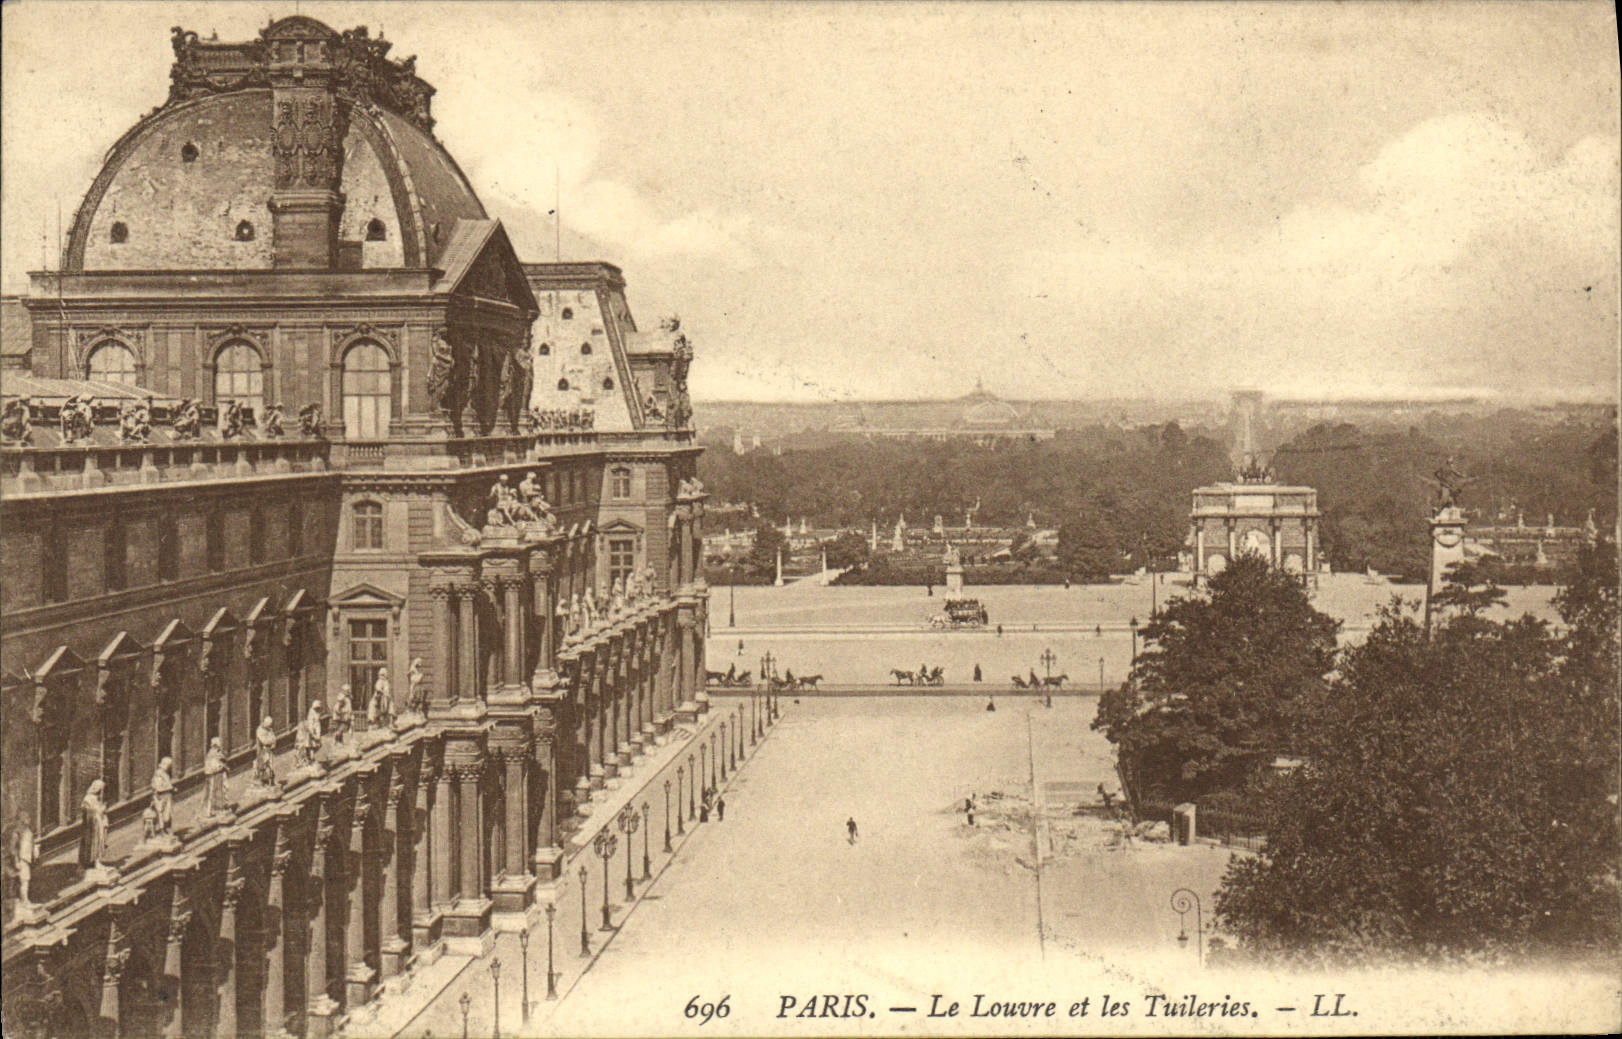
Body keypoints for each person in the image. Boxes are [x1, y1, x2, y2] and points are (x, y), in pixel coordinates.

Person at [80, 780, 109, 870]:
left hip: (98, 823)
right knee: (94, 843)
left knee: (100, 842)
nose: (100, 792)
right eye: (100, 789)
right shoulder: (88, 799)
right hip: (93, 825)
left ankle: (97, 860)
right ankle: (94, 861)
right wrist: (102, 808)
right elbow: (88, 811)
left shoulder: (96, 798)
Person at [204, 737, 227, 816]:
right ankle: (212, 809)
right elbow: (214, 766)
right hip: (214, 776)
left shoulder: (216, 753)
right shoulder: (212, 754)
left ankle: (219, 807)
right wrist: (221, 767)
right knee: (214, 791)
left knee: (220, 790)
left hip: (217, 775)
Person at [151, 758, 175, 834]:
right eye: (168, 766)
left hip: (167, 795)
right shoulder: (159, 774)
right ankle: (162, 830)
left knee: (167, 813)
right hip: (162, 796)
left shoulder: (164, 773)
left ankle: (167, 828)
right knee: (161, 812)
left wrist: (172, 788)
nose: (169, 768)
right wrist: (170, 788)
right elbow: (158, 787)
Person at [255, 716, 278, 787]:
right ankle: (263, 782)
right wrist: (271, 741)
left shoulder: (269, 729)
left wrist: (273, 743)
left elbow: (274, 738)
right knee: (263, 766)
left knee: (271, 765)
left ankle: (271, 781)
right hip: (263, 751)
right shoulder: (260, 730)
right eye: (268, 725)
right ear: (265, 723)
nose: (269, 726)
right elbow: (264, 741)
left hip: (269, 750)